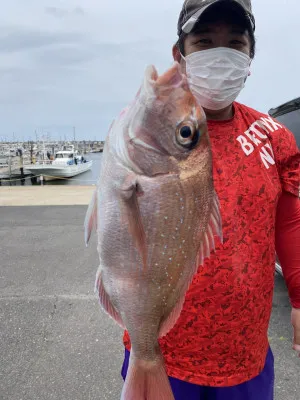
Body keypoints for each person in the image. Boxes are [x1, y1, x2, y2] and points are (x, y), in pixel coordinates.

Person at [121, 1, 300, 399]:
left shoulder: (273, 135)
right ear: (179, 54)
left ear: (250, 55)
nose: (221, 54)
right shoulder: (148, 129)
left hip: (245, 352)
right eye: (204, 41)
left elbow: (288, 222)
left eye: (235, 43)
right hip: (161, 349)